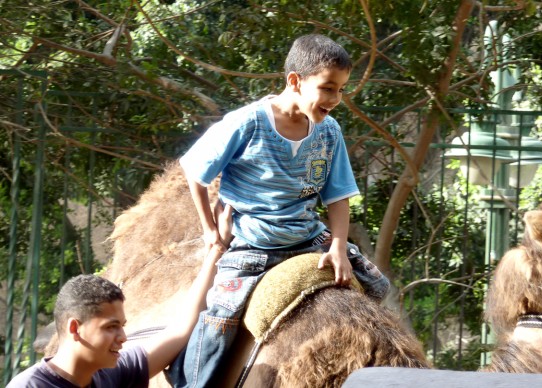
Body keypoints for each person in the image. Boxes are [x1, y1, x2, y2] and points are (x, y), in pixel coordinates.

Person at [168, 33, 390, 388]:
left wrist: (337, 245)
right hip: (254, 246)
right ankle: (189, 383)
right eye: (328, 88)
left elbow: (338, 197)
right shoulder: (246, 123)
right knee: (220, 320)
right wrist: (211, 231)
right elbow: (195, 172)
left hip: (309, 238)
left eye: (342, 90)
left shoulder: (329, 132)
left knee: (378, 286)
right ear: (295, 81)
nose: (336, 99)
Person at [7, 205, 232, 388]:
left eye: (122, 326)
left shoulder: (111, 375)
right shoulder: (30, 386)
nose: (123, 337)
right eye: (110, 327)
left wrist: (216, 248)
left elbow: (180, 330)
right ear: (75, 328)